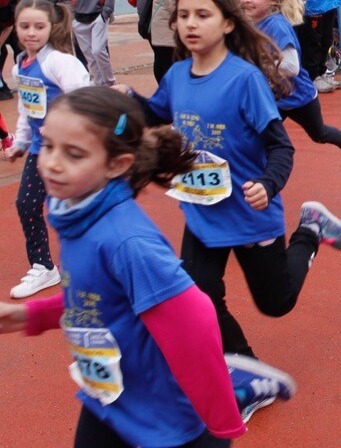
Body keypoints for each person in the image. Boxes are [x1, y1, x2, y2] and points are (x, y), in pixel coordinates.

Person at [118, 0, 341, 421]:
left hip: (249, 210)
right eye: (183, 15)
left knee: (276, 303)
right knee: (198, 299)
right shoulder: (177, 75)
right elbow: (152, 113)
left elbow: (280, 146)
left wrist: (269, 183)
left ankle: (309, 228)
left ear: (227, 23)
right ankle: (248, 375)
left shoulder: (244, 80)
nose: (189, 24)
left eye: (202, 15)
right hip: (202, 211)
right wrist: (122, 104)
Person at [0, 86, 266, 447]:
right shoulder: (76, 213)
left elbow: (195, 319)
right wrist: (28, 317)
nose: (52, 163)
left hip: (163, 418)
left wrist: (221, 424)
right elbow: (99, 298)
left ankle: (235, 386)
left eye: (74, 154)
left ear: (117, 164)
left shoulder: (127, 241)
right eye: (48, 145)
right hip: (110, 398)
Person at [237, 0, 341, 171]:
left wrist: (256, 66)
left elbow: (291, 67)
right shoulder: (251, 24)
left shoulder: (276, 25)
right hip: (274, 98)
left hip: (299, 96)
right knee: (257, 136)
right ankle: (256, 177)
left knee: (319, 134)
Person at [4, 0, 90, 299]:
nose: (31, 32)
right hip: (40, 151)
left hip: (70, 152)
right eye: (24, 26)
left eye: (38, 26)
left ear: (51, 28)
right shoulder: (20, 65)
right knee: (26, 205)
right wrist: (21, 142)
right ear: (15, 28)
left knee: (74, 209)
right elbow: (27, 107)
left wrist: (63, 126)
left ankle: (94, 265)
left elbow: (85, 100)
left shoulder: (60, 62)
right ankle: (43, 267)